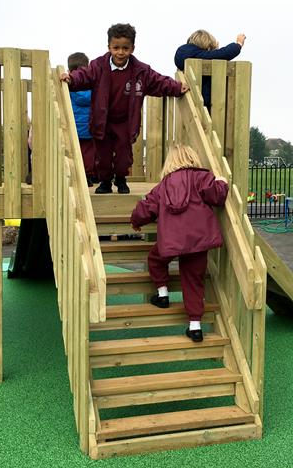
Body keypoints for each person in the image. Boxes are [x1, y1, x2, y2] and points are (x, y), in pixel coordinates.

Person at [60, 23, 189, 195]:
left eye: (125, 48)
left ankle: (121, 179)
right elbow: (84, 75)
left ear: (133, 48)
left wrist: (177, 87)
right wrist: (71, 78)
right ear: (109, 47)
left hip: (125, 122)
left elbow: (159, 81)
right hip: (102, 121)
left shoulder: (141, 71)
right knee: (103, 156)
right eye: (116, 48)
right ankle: (105, 182)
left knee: (124, 157)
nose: (120, 52)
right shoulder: (98, 66)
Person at [130, 144, 229, 342]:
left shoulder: (163, 186)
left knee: (156, 260)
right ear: (193, 158)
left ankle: (163, 294)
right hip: (198, 241)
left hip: (172, 241)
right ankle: (195, 327)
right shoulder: (202, 178)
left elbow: (147, 207)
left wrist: (136, 221)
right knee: (193, 280)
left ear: (170, 162)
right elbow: (217, 196)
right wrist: (222, 182)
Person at [174, 30, 246, 109]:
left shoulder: (188, 54)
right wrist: (238, 44)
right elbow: (223, 54)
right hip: (204, 105)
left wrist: (214, 52)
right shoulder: (198, 55)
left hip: (186, 103)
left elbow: (213, 56)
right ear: (206, 44)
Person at [67, 52, 97, 186]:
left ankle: (74, 176)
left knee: (73, 152)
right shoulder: (92, 87)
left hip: (73, 127)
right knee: (89, 153)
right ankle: (88, 176)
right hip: (89, 128)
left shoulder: (68, 86)